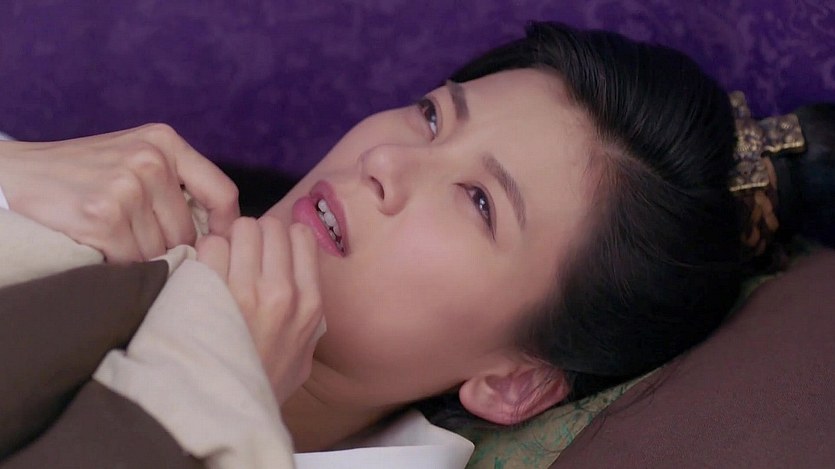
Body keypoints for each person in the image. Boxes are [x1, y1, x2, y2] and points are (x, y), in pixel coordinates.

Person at [0, 21, 833, 467]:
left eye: (478, 201)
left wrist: (202, 386)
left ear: (514, 382)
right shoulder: (99, 206)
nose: (386, 161)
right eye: (433, 116)